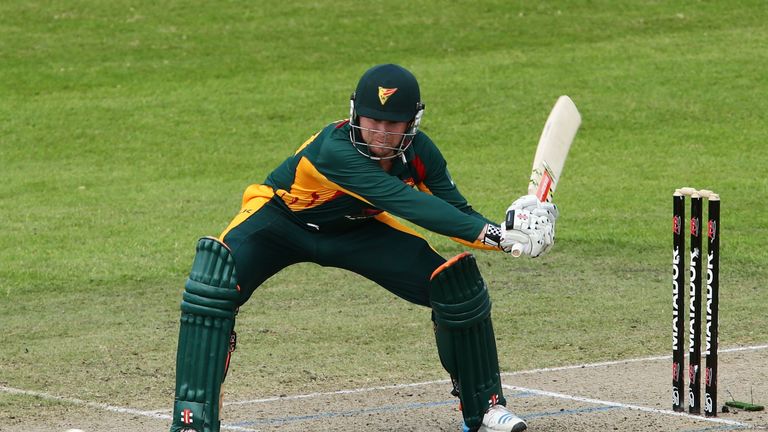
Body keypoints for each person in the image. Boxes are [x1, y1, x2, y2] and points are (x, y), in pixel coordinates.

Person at [169, 63, 557, 432]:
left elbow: (457, 215)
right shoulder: (334, 149)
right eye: (373, 120)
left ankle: (485, 407)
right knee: (213, 280)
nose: (382, 133)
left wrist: (511, 234)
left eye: (393, 123)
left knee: (456, 287)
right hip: (280, 220)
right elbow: (407, 204)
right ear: (355, 114)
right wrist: (494, 234)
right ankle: (193, 420)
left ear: (413, 122)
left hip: (355, 229)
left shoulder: (421, 154)